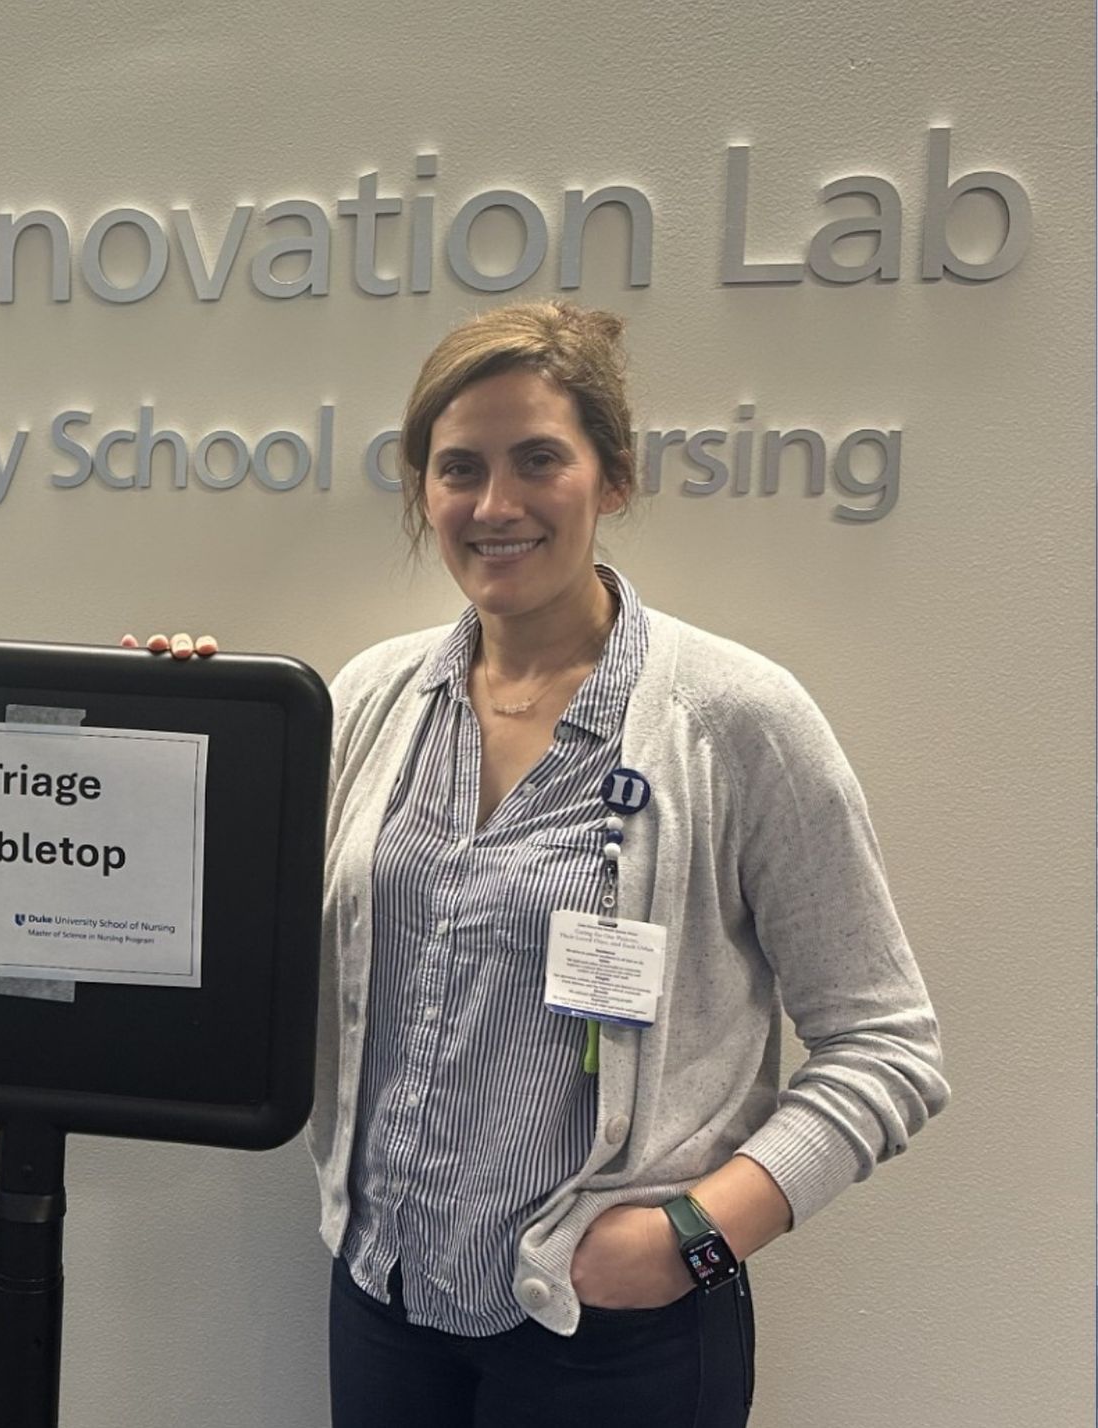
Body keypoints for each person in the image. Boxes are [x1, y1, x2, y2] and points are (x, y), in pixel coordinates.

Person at [131, 300, 946, 1426]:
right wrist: (179, 730)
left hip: (611, 1338)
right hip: (385, 1301)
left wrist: (695, 1242)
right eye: (458, 467)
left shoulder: (734, 721)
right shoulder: (370, 701)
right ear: (421, 489)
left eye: (537, 461)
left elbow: (886, 1044)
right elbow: (244, 937)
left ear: (610, 480)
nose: (494, 504)